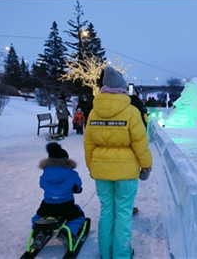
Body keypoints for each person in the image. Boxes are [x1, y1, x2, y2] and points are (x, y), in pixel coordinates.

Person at [84, 65, 152, 259]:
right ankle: (121, 255)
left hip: (101, 171)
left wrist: (91, 165)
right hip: (126, 172)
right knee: (123, 213)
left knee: (107, 212)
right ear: (122, 88)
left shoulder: (94, 113)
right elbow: (140, 142)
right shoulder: (131, 112)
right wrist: (146, 165)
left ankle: (106, 254)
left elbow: (88, 143)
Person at [31, 142, 86, 248]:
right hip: (66, 205)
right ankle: (66, 233)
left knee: (37, 217)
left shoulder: (45, 173)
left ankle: (39, 232)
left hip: (47, 205)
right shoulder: (71, 174)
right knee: (77, 217)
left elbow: (42, 185)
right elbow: (77, 188)